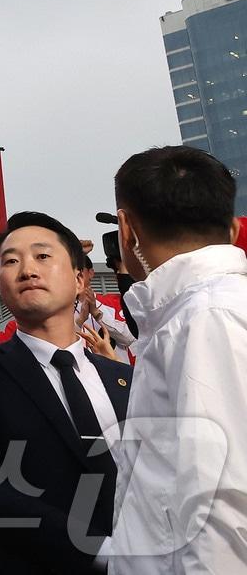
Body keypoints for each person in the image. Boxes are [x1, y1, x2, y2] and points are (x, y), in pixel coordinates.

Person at [0, 211, 132, 574]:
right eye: (10, 261)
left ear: (79, 279)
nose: (27, 270)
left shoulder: (126, 378)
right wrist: (103, 552)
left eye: (42, 256)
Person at [109, 146, 247, 573]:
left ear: (126, 228)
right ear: (232, 228)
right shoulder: (191, 313)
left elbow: (224, 505)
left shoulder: (207, 317)